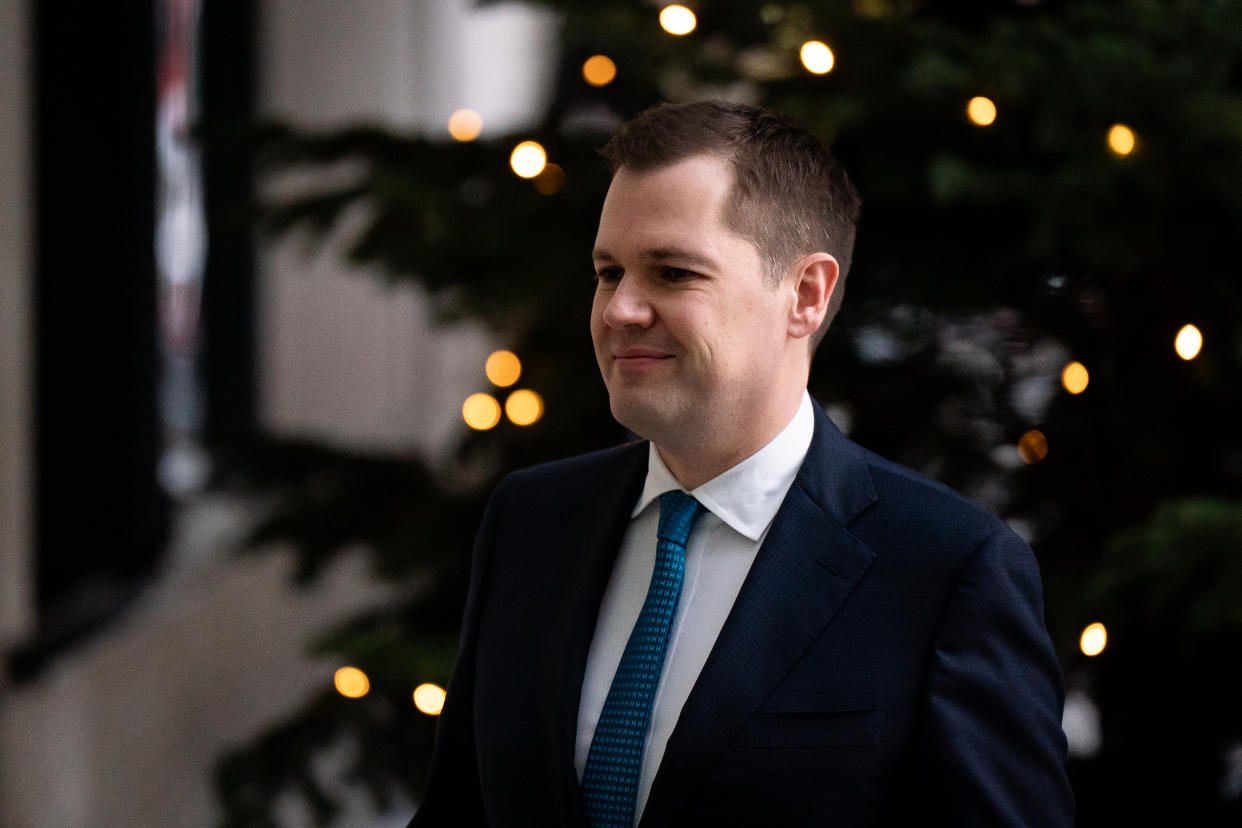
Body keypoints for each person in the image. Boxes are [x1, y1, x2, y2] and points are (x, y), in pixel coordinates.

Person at [410, 100, 1073, 827]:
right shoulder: (532, 521)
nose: (619, 310)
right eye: (608, 272)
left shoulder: (947, 570)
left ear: (806, 295)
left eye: (671, 272)